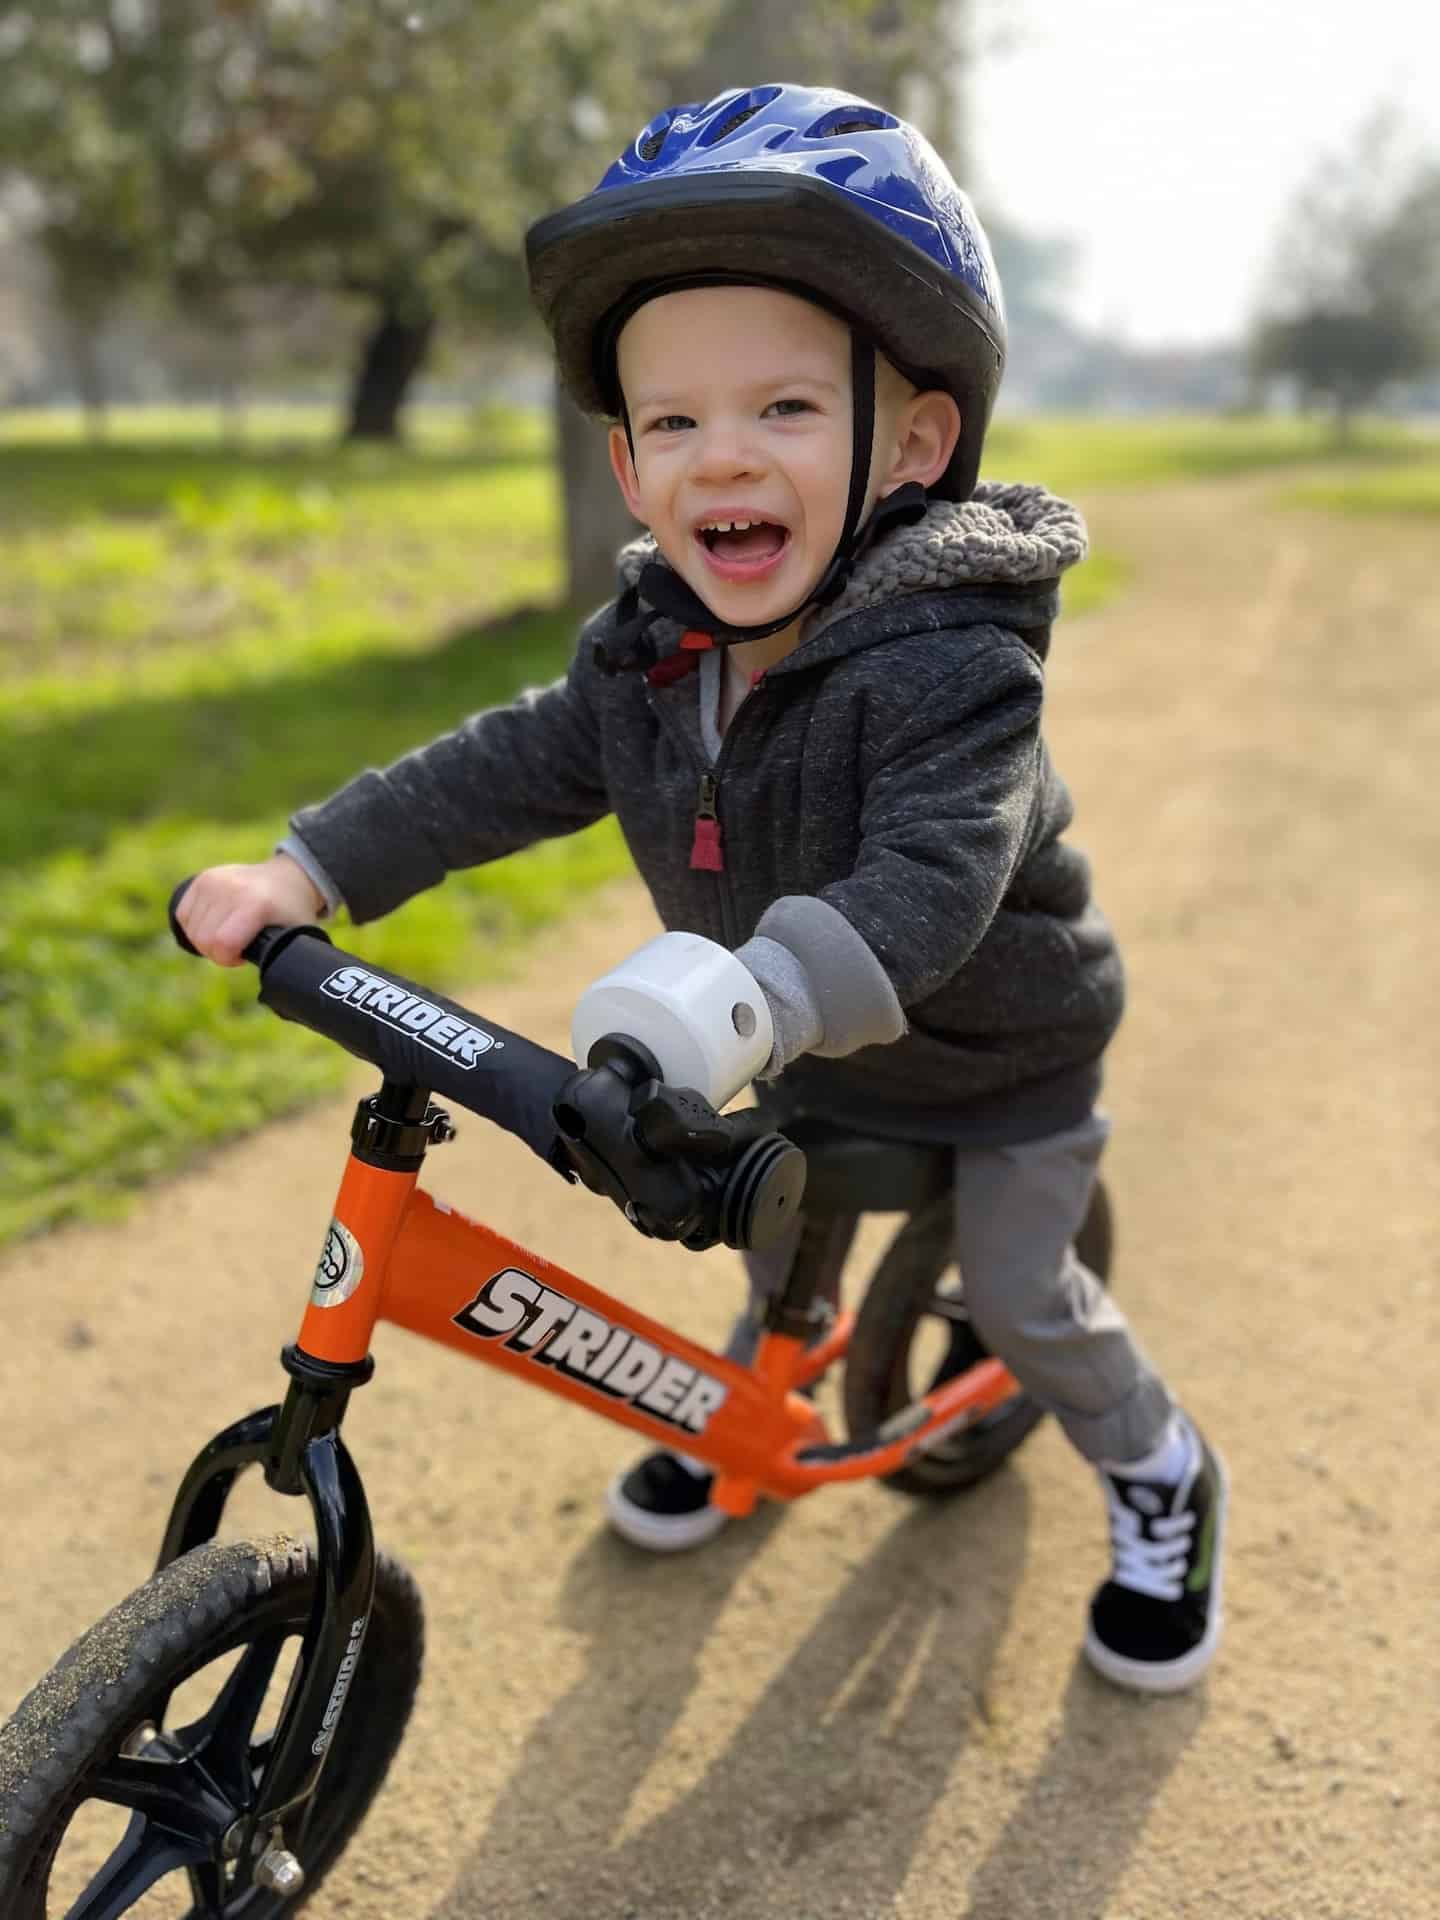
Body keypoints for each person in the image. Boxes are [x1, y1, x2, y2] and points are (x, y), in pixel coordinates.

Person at [177, 83, 1227, 1694]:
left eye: (787, 410)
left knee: (1022, 1299)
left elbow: (933, 884)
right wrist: (306, 863)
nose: (721, 454)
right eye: (674, 423)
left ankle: (1160, 1472)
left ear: (920, 443)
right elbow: (506, 766)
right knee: (769, 1258)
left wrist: (745, 998)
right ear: (628, 460)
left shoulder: (958, 666)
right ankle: (744, 1415)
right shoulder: (653, 650)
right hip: (790, 1050)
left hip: (1001, 1056)